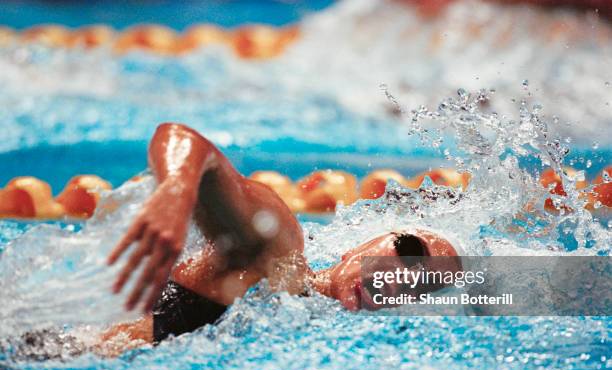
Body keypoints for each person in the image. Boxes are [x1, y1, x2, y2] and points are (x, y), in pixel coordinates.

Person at [102, 123, 461, 346]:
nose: (398, 278)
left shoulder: (317, 334)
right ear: (357, 248)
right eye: (409, 253)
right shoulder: (276, 249)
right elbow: (182, 138)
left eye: (419, 285)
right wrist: (176, 193)